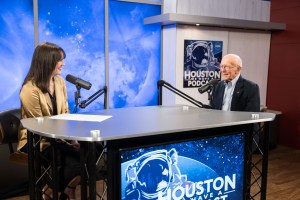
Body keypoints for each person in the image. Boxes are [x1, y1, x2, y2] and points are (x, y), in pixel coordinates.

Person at [17, 42, 80, 199]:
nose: (63, 64)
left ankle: (57, 189)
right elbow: (39, 125)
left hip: (59, 137)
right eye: (60, 60)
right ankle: (52, 191)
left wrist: (73, 139)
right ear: (47, 61)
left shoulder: (59, 82)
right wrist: (66, 141)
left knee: (95, 148)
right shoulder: (29, 89)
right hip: (36, 141)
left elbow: (65, 113)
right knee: (75, 159)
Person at [211, 54, 261, 152]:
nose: (223, 70)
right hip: (220, 134)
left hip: (242, 134)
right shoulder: (218, 86)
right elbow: (213, 110)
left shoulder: (251, 88)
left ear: (238, 69)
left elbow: (251, 115)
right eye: (221, 66)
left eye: (227, 67)